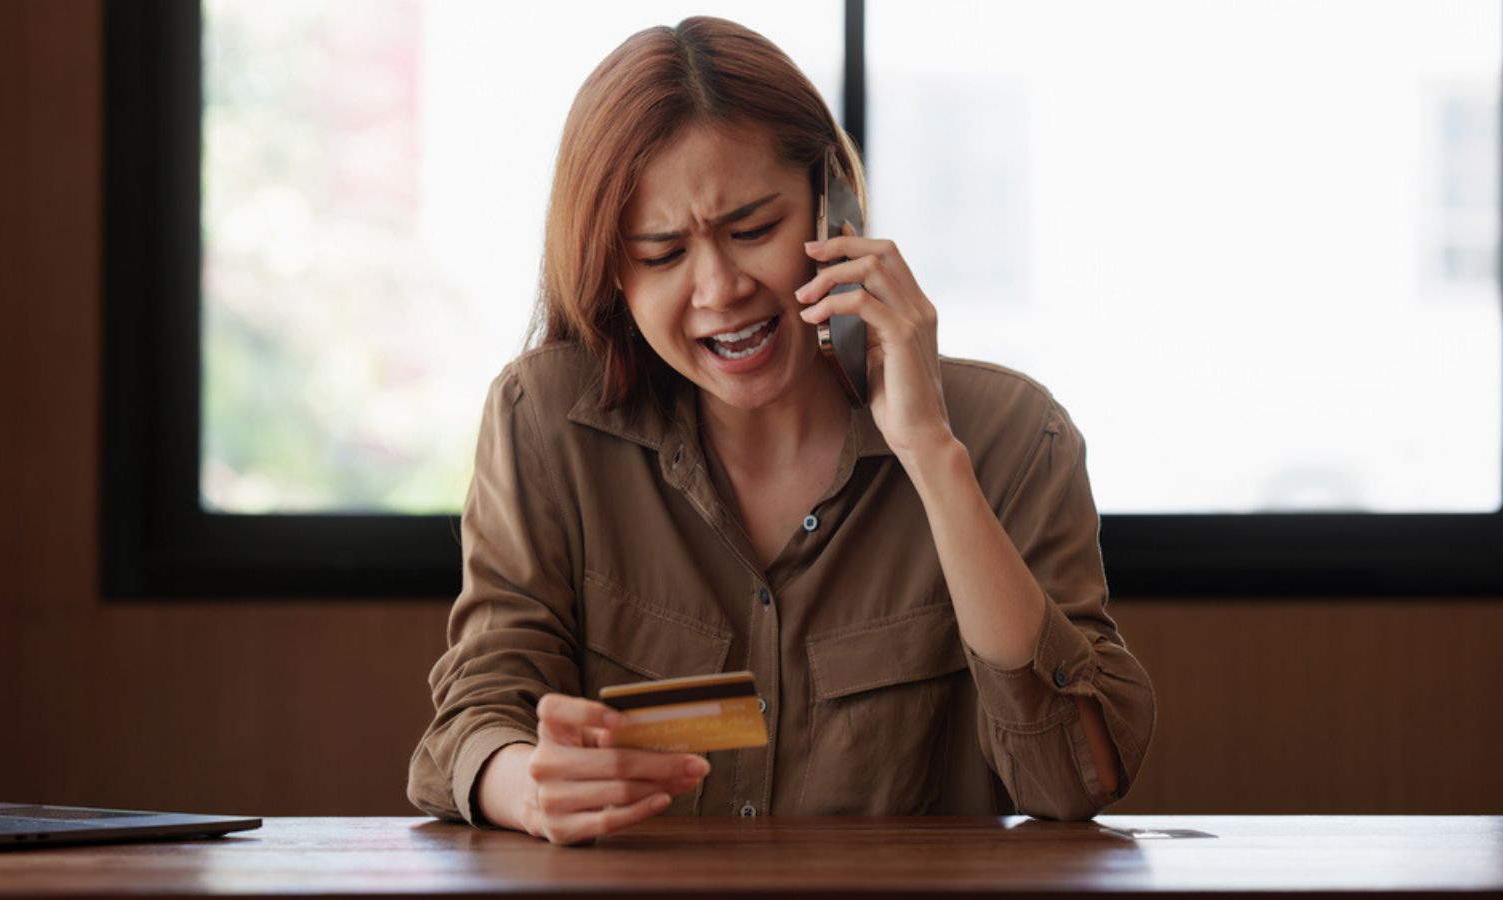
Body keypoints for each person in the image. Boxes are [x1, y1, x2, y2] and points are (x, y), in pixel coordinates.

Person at [407, 16, 1155, 845]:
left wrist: (933, 457)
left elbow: (1075, 779)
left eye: (754, 229)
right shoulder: (543, 423)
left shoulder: (1016, 435)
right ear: (611, 272)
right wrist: (530, 787)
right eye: (662, 255)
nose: (720, 288)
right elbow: (477, 716)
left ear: (834, 209)